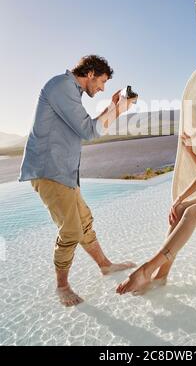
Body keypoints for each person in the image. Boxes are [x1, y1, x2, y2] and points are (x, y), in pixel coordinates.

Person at [19, 55, 137, 306]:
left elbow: (88, 127)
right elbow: (89, 130)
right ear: (91, 73)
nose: (103, 88)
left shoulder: (69, 91)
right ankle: (61, 286)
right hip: (49, 171)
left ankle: (105, 265)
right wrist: (118, 109)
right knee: (71, 230)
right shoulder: (61, 86)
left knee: (84, 221)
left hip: (64, 173)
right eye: (102, 81)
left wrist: (114, 107)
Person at [116, 101, 196, 295]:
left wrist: (180, 196)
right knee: (179, 211)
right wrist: (188, 150)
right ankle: (162, 274)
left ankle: (148, 268)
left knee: (191, 211)